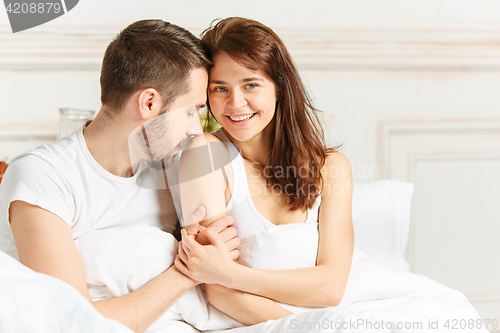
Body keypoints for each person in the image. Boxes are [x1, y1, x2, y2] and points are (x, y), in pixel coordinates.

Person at [0, 19, 240, 333]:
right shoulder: (43, 176)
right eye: (190, 111)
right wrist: (189, 272)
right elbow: (71, 323)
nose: (196, 128)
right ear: (149, 103)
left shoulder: (172, 169)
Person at [174, 17, 355, 326]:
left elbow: (331, 287)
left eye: (251, 84)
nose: (236, 103)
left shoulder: (331, 167)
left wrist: (232, 273)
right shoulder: (205, 155)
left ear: (279, 88)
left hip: (331, 319)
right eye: (220, 88)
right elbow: (219, 291)